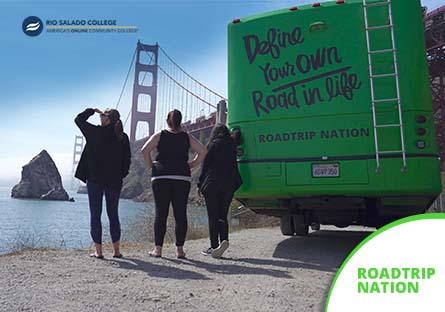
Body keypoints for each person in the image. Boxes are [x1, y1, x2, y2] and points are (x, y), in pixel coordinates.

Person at [141, 109, 207, 259]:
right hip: (181, 177)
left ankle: (158, 250)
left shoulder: (160, 135)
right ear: (180, 121)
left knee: (161, 213)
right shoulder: (187, 137)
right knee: (180, 214)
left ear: (167, 121)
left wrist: (151, 165)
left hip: (161, 176)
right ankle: (180, 251)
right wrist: (191, 164)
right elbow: (203, 151)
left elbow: (144, 150)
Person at [74, 108, 131, 259]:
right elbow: (127, 161)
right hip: (114, 181)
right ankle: (116, 252)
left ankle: (98, 252)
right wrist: (120, 175)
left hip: (95, 181)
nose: (100, 116)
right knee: (113, 215)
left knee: (95, 215)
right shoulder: (122, 137)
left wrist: (91, 111)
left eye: (103, 115)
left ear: (108, 119)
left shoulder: (95, 132)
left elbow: (78, 120)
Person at [198, 124, 242, 258]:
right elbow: (238, 132)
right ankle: (224, 240)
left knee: (213, 216)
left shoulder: (212, 145)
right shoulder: (232, 144)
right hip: (228, 185)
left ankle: (214, 246)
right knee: (222, 214)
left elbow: (204, 166)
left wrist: (199, 184)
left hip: (212, 184)